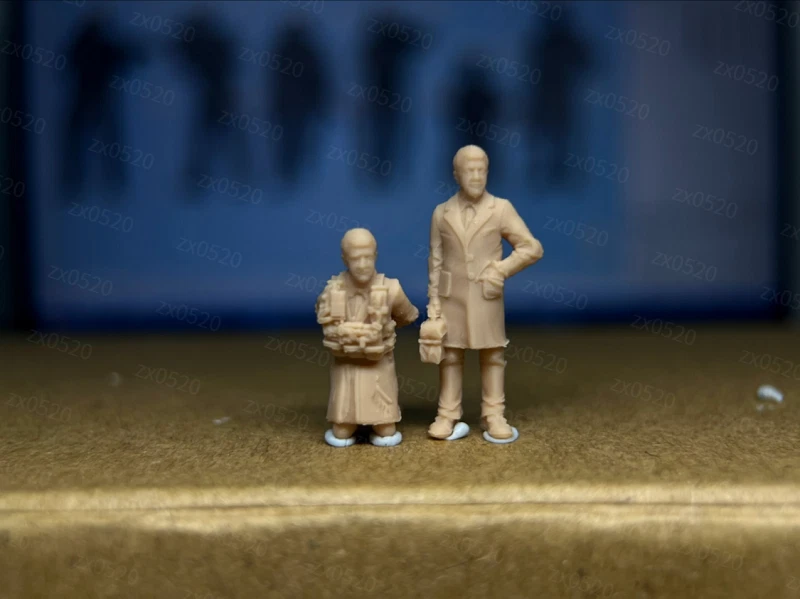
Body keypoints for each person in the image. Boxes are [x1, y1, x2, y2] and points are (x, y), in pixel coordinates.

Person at [426, 145, 543, 443]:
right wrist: (434, 300)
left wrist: (501, 270)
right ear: (456, 175)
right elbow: (436, 260)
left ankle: (494, 413)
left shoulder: (500, 208)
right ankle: (447, 413)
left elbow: (532, 247)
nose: (476, 176)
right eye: (469, 171)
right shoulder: (441, 213)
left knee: (492, 354)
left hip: (485, 295)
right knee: (450, 355)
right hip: (452, 296)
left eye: (481, 170)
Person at [316, 229, 419, 447]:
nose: (363, 264)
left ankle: (381, 420)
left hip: (378, 365)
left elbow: (409, 315)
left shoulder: (391, 289)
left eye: (368, 257)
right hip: (346, 365)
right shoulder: (332, 290)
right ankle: (348, 421)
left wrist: (385, 329)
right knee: (342, 430)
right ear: (345, 259)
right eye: (356, 258)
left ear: (376, 256)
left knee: (386, 428)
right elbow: (323, 317)